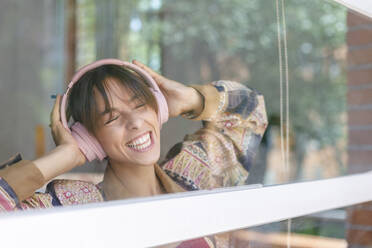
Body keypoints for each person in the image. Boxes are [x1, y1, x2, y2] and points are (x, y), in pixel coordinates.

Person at [0, 59, 268, 248]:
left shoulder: (195, 174)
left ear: (159, 107)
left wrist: (190, 99)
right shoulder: (71, 211)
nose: (135, 122)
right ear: (89, 137)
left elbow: (251, 112)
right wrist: (66, 155)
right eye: (112, 118)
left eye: (140, 105)